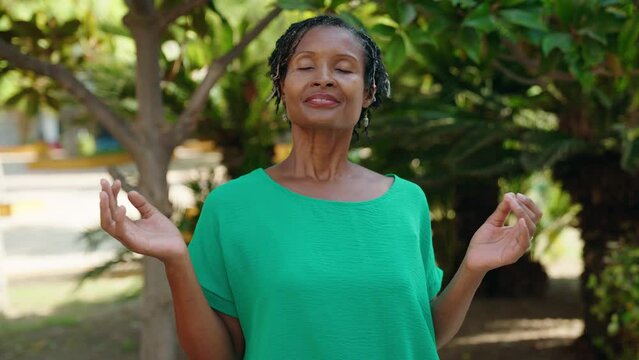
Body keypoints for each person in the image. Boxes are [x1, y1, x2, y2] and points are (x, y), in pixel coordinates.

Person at [99, 15, 542, 360]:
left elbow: (421, 334)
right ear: (283, 87)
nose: (324, 77)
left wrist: (473, 268)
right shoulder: (232, 206)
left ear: (368, 92)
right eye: (305, 66)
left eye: (344, 69)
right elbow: (216, 354)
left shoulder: (408, 201)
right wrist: (176, 260)